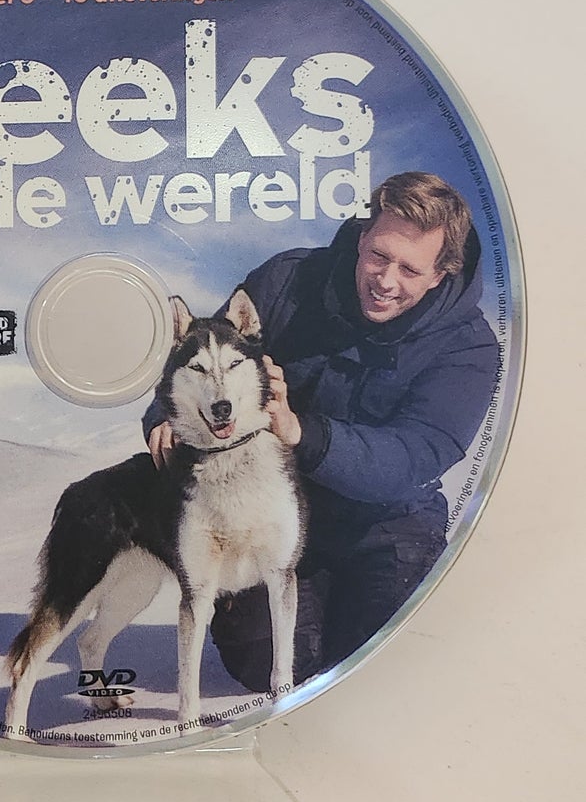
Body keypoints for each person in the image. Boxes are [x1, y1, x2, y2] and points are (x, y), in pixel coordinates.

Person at [146, 172, 501, 691]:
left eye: (409, 268)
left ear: (440, 274)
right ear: (362, 236)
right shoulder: (286, 281)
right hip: (266, 510)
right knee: (263, 660)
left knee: (383, 664)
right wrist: (164, 417)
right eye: (378, 255)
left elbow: (414, 456)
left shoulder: (468, 349)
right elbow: (201, 354)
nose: (386, 280)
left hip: (384, 527)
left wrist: (302, 432)